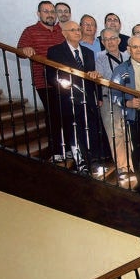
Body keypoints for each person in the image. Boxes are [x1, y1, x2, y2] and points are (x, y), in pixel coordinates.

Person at [46, 20, 103, 174]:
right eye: (73, 30)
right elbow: (51, 76)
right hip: (69, 99)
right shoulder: (55, 51)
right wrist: (64, 85)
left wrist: (98, 96)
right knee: (75, 133)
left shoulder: (88, 52)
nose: (78, 32)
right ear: (64, 33)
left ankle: (94, 162)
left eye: (78, 29)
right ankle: (82, 165)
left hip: (88, 99)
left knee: (90, 130)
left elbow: (94, 75)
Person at [110, 35, 140, 190]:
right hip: (135, 116)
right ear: (128, 49)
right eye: (135, 47)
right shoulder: (121, 70)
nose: (139, 50)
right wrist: (128, 103)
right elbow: (113, 94)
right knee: (139, 150)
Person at [17, 1, 65, 161]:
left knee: (66, 115)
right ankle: (55, 151)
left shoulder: (61, 31)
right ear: (39, 14)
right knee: (53, 115)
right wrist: (25, 50)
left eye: (52, 11)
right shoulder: (30, 31)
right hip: (44, 82)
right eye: (46, 11)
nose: (50, 14)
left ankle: (67, 148)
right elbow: (19, 50)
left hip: (64, 81)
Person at [96, 28, 133, 184]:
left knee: (129, 134)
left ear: (119, 40)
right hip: (109, 99)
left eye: (113, 38)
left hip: (129, 100)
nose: (110, 42)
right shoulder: (100, 58)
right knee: (116, 134)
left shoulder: (127, 56)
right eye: (106, 39)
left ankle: (132, 164)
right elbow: (103, 78)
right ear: (103, 42)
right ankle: (122, 168)